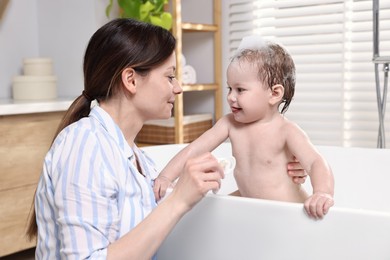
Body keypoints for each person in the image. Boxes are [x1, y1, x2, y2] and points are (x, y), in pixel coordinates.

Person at [26, 22, 307, 259]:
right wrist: (179, 199)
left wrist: (271, 179)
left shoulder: (139, 162)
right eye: (170, 76)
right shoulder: (84, 146)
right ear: (131, 80)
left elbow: (163, 226)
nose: (179, 87)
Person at [154, 35, 335, 219]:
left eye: (240, 90)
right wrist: (166, 177)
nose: (231, 97)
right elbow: (194, 149)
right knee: (207, 214)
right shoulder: (229, 123)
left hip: (288, 214)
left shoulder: (286, 130)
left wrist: (322, 192)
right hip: (251, 208)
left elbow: (315, 162)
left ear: (274, 93)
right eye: (229, 88)